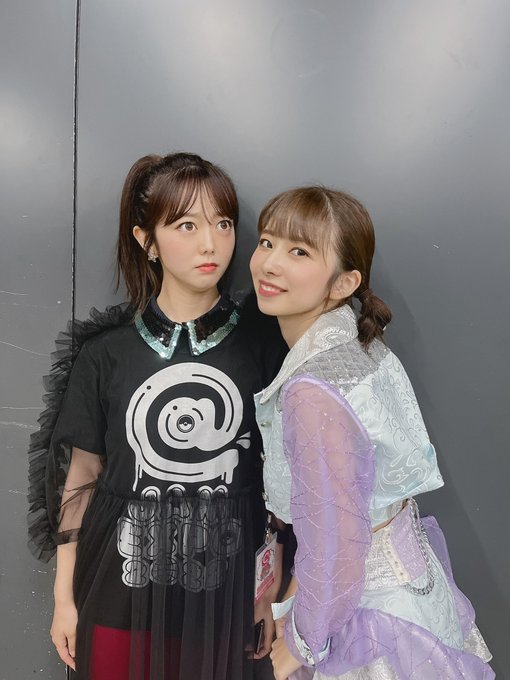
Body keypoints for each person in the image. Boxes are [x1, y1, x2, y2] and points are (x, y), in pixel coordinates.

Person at [27, 152, 285, 680]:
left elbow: (284, 476)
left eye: (223, 223)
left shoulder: (265, 346)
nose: (210, 243)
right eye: (186, 226)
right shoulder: (105, 353)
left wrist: (270, 588)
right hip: (121, 578)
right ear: (147, 241)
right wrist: (64, 597)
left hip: (226, 584)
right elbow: (81, 476)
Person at [250, 186, 494, 680]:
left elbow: (339, 544)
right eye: (267, 242)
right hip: (412, 597)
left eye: (299, 252)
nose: (269, 264)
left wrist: (301, 643)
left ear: (344, 282)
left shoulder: (311, 389)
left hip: (367, 621)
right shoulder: (358, 343)